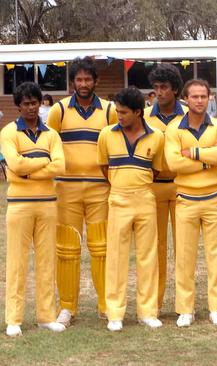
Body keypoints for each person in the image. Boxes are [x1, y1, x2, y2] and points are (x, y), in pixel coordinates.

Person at [47, 56, 118, 326]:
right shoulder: (59, 111)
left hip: (101, 188)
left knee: (102, 248)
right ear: (72, 82)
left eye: (88, 79)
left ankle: (106, 304)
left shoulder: (110, 110)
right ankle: (67, 307)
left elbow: (117, 145)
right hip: (67, 189)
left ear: (95, 81)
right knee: (67, 248)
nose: (84, 83)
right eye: (79, 79)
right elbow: (47, 144)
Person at [165, 79, 217, 327]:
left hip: (214, 197)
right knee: (184, 256)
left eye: (203, 96)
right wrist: (209, 158)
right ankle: (185, 309)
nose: (199, 100)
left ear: (210, 98)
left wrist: (194, 154)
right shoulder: (174, 129)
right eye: (194, 96)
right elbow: (173, 163)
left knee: (216, 255)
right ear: (185, 99)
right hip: (186, 199)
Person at [97, 87, 165, 331]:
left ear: (138, 112)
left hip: (146, 199)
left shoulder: (157, 136)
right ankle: (115, 313)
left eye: (124, 112)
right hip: (118, 199)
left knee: (148, 256)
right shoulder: (106, 134)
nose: (119, 116)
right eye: (117, 111)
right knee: (116, 256)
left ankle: (147, 312)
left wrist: (138, 185)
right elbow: (104, 167)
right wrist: (121, 185)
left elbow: (155, 170)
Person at [2, 82, 66, 337]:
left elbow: (61, 166)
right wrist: (43, 162)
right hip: (19, 206)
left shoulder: (51, 134)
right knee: (17, 262)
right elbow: (14, 165)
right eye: (26, 103)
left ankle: (46, 316)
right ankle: (14, 319)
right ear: (18, 106)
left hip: (48, 204)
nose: (31, 108)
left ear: (40, 104)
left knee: (46, 261)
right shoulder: (8, 132)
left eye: (34, 103)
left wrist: (28, 172)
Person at [144, 63, 189, 310]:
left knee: (183, 246)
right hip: (153, 187)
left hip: (182, 185)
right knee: (156, 247)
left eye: (164, 88)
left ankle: (184, 305)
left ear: (175, 90)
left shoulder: (188, 116)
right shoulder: (144, 116)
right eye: (156, 87)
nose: (159, 92)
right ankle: (155, 304)